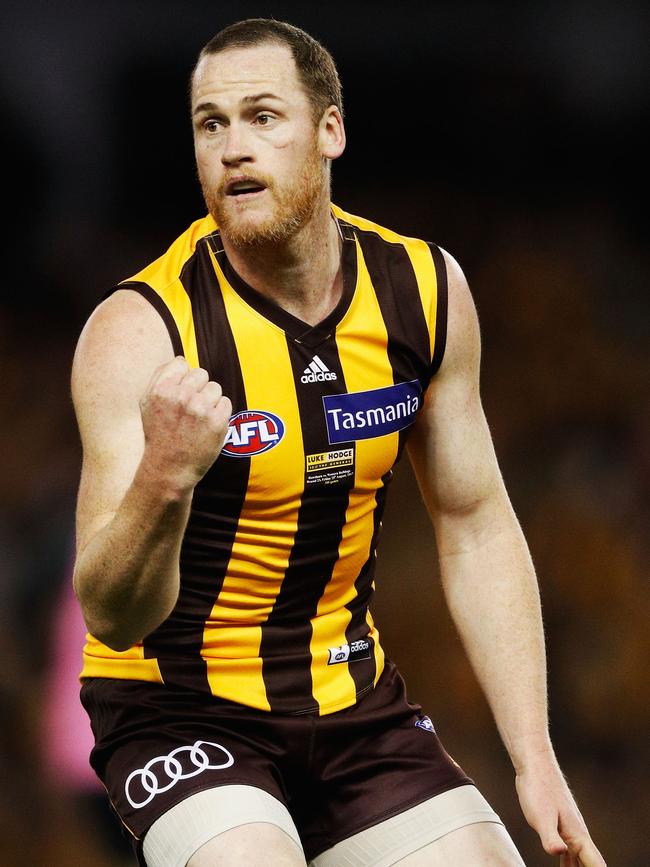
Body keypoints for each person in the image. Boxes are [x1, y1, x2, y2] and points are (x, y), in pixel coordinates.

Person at [72, 18, 606, 867]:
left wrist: (533, 755)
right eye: (211, 124)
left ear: (330, 131)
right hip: (178, 711)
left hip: (349, 702)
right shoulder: (141, 332)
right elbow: (109, 609)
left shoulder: (423, 290)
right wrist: (165, 479)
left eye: (262, 116)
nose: (234, 148)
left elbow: (473, 522)